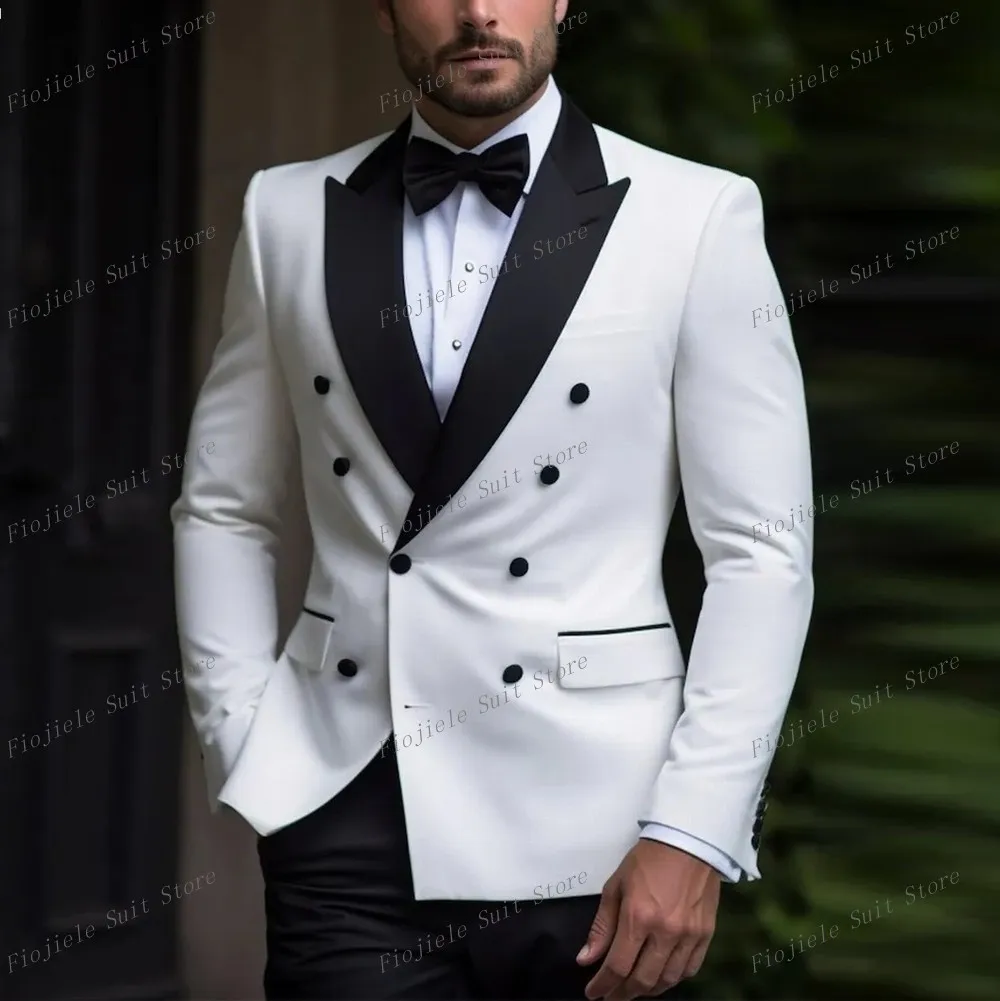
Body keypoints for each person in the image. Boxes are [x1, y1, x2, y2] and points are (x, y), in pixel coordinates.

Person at [170, 1, 814, 998]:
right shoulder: (287, 212)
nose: (478, 12)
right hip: (344, 807)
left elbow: (760, 551)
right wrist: (242, 733)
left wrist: (695, 826)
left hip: (601, 819)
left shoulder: (695, 215)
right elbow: (222, 505)